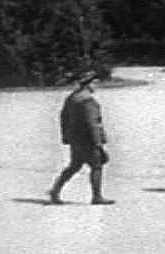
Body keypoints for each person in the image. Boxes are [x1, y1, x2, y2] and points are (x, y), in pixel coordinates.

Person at [48, 70, 115, 205]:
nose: (96, 86)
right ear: (88, 84)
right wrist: (98, 142)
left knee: (75, 166)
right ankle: (97, 196)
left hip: (75, 138)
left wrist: (66, 136)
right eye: (94, 83)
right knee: (96, 166)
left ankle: (55, 190)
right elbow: (92, 123)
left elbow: (63, 118)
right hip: (88, 139)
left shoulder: (72, 98)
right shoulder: (88, 100)